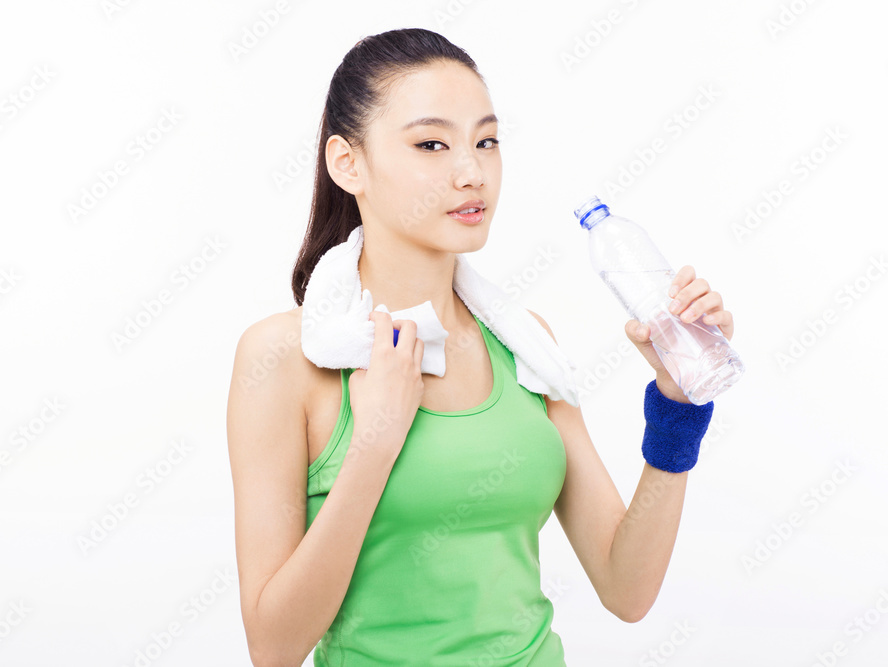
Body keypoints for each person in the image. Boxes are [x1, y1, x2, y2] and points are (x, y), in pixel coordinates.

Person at [227, 27, 735, 666]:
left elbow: (626, 588)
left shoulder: (524, 344)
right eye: (431, 144)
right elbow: (273, 648)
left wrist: (679, 406)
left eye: (486, 141)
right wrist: (376, 441)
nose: (471, 172)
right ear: (346, 162)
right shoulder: (285, 359)